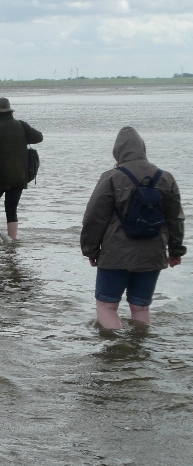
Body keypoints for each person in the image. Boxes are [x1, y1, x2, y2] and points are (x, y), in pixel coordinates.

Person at [80, 126, 185, 330]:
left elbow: (94, 218)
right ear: (143, 148)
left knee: (107, 307)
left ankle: (117, 350)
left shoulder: (112, 177)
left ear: (117, 151)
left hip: (115, 255)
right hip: (153, 254)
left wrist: (91, 251)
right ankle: (139, 354)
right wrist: (175, 251)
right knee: (141, 309)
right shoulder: (166, 178)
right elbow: (176, 219)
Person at [0, 97, 43, 242]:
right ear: (9, 111)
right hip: (19, 176)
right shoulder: (21, 125)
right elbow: (39, 137)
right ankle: (13, 240)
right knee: (11, 209)